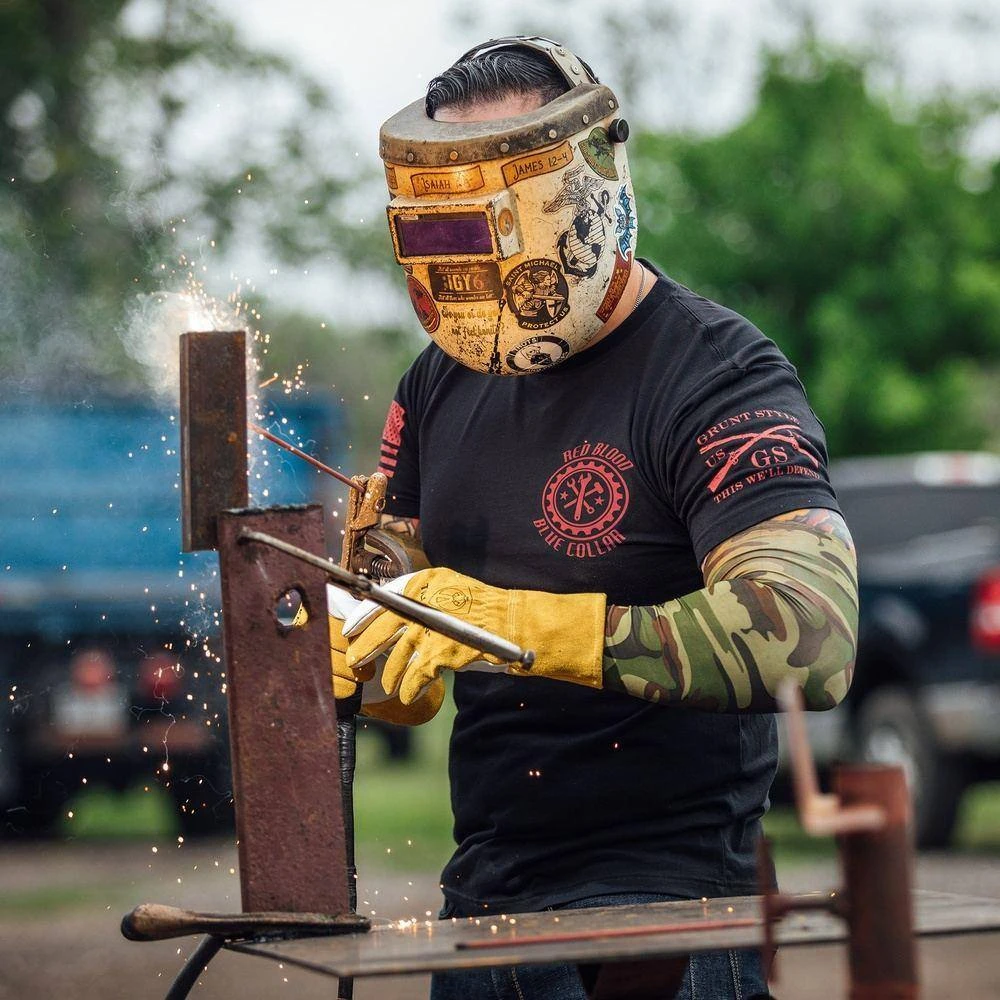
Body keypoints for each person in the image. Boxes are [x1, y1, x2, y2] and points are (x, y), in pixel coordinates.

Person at [330, 35, 858, 1000]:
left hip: (669, 912)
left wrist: (515, 626)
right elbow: (402, 608)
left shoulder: (716, 376)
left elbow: (811, 640)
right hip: (487, 895)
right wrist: (364, 640)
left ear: (590, 183)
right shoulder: (440, 382)